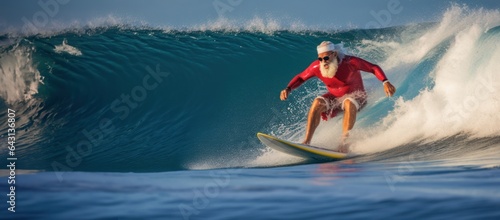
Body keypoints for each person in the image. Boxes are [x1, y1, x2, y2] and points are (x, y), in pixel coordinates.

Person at [280, 41, 396, 152]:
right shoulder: (317, 67)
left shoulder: (350, 63)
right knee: (317, 102)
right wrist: (288, 88)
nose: (323, 62)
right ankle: (306, 142)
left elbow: (373, 67)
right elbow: (301, 77)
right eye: (320, 59)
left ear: (334, 54)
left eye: (326, 58)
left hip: (356, 98)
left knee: (348, 102)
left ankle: (344, 143)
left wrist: (385, 81)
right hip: (335, 99)